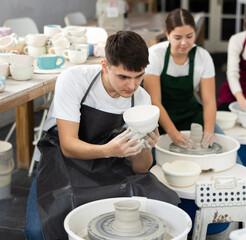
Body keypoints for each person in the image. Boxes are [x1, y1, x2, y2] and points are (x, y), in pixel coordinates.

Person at [24, 31, 180, 240]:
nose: (132, 86)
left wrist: (145, 147)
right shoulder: (74, 80)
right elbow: (68, 145)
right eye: (123, 77)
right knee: (39, 232)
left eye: (138, 76)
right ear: (105, 65)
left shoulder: (142, 99)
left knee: (163, 205)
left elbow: (140, 168)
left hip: (108, 163)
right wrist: (109, 150)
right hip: (61, 159)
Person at [144, 8, 246, 237]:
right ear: (167, 33)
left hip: (192, 114)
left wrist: (210, 131)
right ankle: (163, 217)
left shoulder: (202, 57)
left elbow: (209, 101)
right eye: (178, 37)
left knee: (230, 154)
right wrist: (172, 134)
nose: (184, 43)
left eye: (189, 36)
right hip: (161, 117)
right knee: (156, 165)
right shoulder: (155, 55)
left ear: (196, 33)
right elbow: (155, 102)